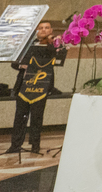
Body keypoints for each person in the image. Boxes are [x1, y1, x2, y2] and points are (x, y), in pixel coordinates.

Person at [8, 22, 66, 153]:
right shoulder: (28, 45)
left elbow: (58, 57)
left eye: (47, 28)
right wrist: (22, 66)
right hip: (24, 85)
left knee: (37, 116)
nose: (44, 30)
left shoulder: (53, 45)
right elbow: (14, 63)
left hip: (42, 86)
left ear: (51, 30)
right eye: (41, 28)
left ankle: (35, 145)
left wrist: (56, 43)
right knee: (20, 116)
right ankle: (15, 145)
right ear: (36, 31)